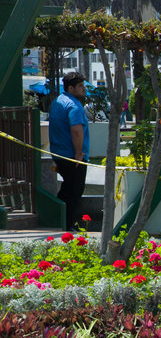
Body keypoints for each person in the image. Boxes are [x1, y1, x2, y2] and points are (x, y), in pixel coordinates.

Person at [48, 71, 90, 231]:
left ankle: (60, 221)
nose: (83, 89)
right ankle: (66, 225)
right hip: (73, 157)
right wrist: (78, 154)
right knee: (74, 192)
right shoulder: (73, 105)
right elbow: (76, 130)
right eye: (80, 86)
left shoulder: (58, 101)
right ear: (71, 88)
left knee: (67, 189)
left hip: (59, 154)